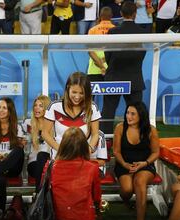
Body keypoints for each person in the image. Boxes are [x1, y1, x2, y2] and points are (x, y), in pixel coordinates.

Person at [101, 1, 146, 135]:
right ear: (135, 14)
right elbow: (142, 54)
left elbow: (107, 54)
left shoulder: (113, 31)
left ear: (121, 13)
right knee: (136, 111)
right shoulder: (142, 32)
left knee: (108, 111)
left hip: (114, 77)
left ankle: (106, 142)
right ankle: (136, 138)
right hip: (134, 78)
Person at [113, 102, 159, 220]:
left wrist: (145, 163)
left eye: (133, 114)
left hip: (144, 164)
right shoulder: (120, 128)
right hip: (124, 164)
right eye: (127, 113)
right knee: (127, 189)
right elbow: (116, 152)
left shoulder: (151, 130)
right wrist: (125, 164)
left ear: (141, 115)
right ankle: (127, 202)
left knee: (139, 182)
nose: (129, 116)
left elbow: (156, 152)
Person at [48, 126, 101, 220]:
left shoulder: (50, 166)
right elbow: (97, 198)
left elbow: (43, 191)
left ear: (63, 145)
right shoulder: (93, 168)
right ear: (84, 146)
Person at [42, 72, 101, 159]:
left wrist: (88, 150)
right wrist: (61, 151)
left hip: (83, 160)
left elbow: (95, 134)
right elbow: (45, 133)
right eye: (74, 92)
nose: (77, 97)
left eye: (81, 93)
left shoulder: (92, 107)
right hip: (59, 158)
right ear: (67, 88)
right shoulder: (54, 107)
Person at [23, 95, 51, 193]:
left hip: (50, 163)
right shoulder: (28, 124)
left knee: (43, 155)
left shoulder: (53, 125)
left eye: (40, 106)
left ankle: (39, 195)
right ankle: (38, 192)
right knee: (40, 155)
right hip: (34, 164)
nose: (36, 108)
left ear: (46, 108)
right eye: (35, 105)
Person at [87, 6, 115, 83]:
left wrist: (101, 67)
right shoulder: (116, 30)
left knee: (90, 94)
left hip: (94, 68)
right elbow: (115, 51)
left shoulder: (92, 30)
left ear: (100, 16)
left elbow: (90, 51)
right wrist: (104, 63)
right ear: (111, 16)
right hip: (111, 68)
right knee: (110, 94)